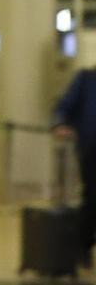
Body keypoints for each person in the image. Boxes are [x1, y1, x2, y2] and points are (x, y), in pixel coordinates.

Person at [54, 63, 96, 264]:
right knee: (92, 196)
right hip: (92, 147)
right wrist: (60, 123)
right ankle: (84, 245)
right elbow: (64, 106)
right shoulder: (87, 78)